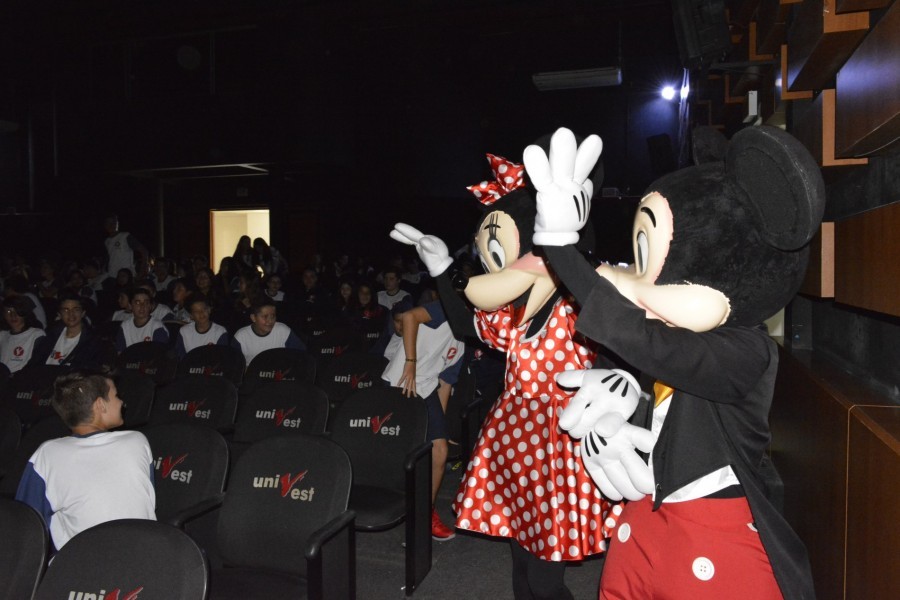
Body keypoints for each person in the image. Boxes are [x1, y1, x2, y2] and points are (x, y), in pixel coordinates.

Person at [15, 371, 156, 550]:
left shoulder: (46, 454)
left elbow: (27, 521)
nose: (121, 402)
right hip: (147, 552)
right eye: (116, 396)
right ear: (100, 405)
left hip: (82, 560)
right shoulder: (137, 441)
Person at [382, 300, 464, 541]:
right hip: (399, 381)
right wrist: (411, 362)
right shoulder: (446, 309)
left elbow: (445, 383)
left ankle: (425, 513)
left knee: (440, 450)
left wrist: (439, 426)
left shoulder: (463, 343)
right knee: (398, 452)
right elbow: (409, 317)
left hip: (426, 389)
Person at [30, 290, 103, 369]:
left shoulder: (92, 342)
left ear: (83, 313)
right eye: (66, 310)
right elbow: (34, 362)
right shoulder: (51, 335)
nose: (71, 314)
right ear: (59, 314)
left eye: (76, 309)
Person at [232, 297, 305, 365]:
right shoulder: (241, 337)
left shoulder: (283, 331)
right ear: (253, 318)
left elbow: (301, 353)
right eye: (265, 316)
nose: (270, 321)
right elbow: (234, 365)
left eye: (272, 316)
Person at [174, 293, 230, 359]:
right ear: (191, 316)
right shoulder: (184, 331)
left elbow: (221, 358)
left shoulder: (220, 332)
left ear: (209, 310)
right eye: (196, 311)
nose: (201, 313)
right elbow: (180, 357)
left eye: (204, 309)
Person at [114, 287, 168, 352]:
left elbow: (159, 354)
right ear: (130, 306)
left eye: (146, 302)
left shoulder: (157, 327)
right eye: (137, 302)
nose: (142, 306)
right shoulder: (125, 326)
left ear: (150, 306)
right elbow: (120, 352)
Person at [0, 295, 46, 373]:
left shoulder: (36, 334)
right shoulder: (2, 335)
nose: (13, 316)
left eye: (17, 311)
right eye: (8, 312)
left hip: (23, 377)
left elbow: (37, 364)